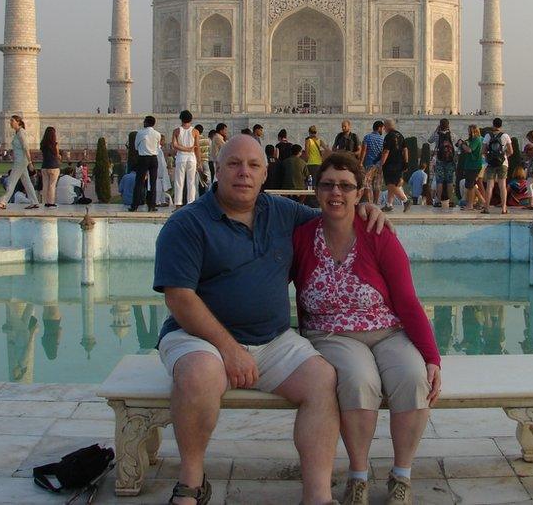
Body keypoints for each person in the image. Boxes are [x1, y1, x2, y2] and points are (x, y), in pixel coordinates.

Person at [152, 135, 390, 505]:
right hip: (199, 339)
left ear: (265, 173)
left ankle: (317, 495)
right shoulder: (187, 223)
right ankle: (191, 484)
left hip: (272, 340)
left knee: (321, 380)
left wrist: (366, 210)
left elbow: (334, 216)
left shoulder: (282, 213)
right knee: (199, 374)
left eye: (253, 166)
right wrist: (229, 349)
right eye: (234, 164)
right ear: (217, 169)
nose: (243, 173)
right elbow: (179, 298)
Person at [292, 153, 440, 505]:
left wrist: (432, 356)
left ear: (361, 192)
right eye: (327, 185)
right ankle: (358, 475)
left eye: (346, 186)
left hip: (387, 331)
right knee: (360, 381)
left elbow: (406, 299)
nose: (336, 193)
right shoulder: (301, 237)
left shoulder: (377, 234)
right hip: (332, 334)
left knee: (413, 377)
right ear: (316, 190)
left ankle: (401, 475)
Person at [0, 115, 39, 210]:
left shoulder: (21, 133)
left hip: (21, 162)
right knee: (27, 182)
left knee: (11, 181)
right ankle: (35, 202)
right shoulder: (18, 133)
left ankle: (3, 202)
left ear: (18, 122)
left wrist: (30, 162)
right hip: (20, 161)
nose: (10, 123)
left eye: (12, 121)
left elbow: (26, 148)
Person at [131, 115, 163, 212]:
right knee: (153, 183)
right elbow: (158, 147)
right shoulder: (157, 134)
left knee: (139, 183)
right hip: (154, 159)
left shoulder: (140, 133)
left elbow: (136, 147)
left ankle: (135, 205)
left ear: (146, 123)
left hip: (143, 158)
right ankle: (151, 205)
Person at [482, 118, 513, 214]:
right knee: (502, 186)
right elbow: (511, 151)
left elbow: (483, 151)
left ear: (493, 125)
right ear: (501, 125)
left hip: (491, 163)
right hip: (502, 163)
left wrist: (488, 158)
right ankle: (504, 208)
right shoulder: (505, 136)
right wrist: (504, 156)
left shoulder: (488, 135)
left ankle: (486, 207)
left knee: (489, 186)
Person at [380, 118, 410, 212]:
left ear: (387, 126)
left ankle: (405, 200)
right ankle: (389, 204)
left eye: (384, 126)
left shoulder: (388, 136)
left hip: (390, 164)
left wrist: (381, 163)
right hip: (399, 163)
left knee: (391, 185)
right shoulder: (400, 135)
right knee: (392, 184)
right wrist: (406, 163)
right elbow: (405, 150)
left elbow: (386, 151)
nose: (384, 128)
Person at [172, 110, 200, 207]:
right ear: (191, 119)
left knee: (179, 181)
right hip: (192, 158)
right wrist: (199, 161)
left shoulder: (177, 131)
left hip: (180, 158)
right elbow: (197, 147)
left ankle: (178, 204)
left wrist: (184, 149)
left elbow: (174, 145)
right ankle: (190, 203)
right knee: (191, 182)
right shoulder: (195, 131)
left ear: (181, 119)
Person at [427, 118, 455, 208]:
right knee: (449, 181)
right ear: (448, 125)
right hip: (450, 161)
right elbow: (455, 143)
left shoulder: (437, 135)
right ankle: (449, 201)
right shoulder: (451, 134)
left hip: (440, 160)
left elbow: (429, 140)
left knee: (439, 181)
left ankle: (438, 201)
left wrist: (436, 130)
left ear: (440, 125)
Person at [459, 124, 484, 211]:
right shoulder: (477, 139)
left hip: (473, 165)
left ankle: (470, 205)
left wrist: (462, 145)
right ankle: (481, 201)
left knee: (470, 186)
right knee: (472, 185)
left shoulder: (477, 139)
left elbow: (469, 150)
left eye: (470, 130)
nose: (468, 132)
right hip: (472, 164)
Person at [360, 121, 385, 204]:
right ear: (379, 128)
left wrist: (360, 162)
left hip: (369, 164)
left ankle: (370, 202)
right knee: (377, 185)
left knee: (367, 183)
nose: (383, 130)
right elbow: (384, 153)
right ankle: (376, 203)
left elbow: (363, 151)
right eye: (382, 128)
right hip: (379, 165)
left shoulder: (367, 137)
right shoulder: (382, 139)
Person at [39, 126, 61, 208]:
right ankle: (51, 202)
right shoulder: (55, 144)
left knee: (45, 185)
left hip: (45, 166)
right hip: (54, 166)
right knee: (52, 185)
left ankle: (45, 202)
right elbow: (57, 155)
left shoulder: (42, 144)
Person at [195, 124, 210, 195]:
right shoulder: (206, 140)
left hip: (197, 162)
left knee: (196, 182)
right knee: (207, 180)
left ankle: (197, 198)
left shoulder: (194, 139)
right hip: (205, 161)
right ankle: (206, 196)